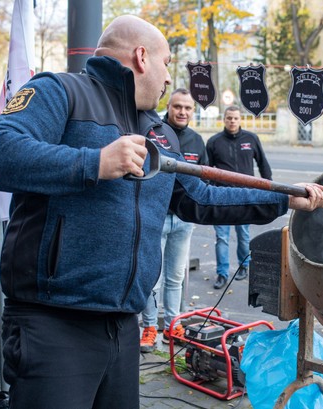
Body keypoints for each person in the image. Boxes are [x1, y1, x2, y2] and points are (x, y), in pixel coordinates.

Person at [0, 15, 323, 409]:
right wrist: (95, 163)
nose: (168, 75)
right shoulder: (60, 91)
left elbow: (200, 199)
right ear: (141, 56)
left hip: (123, 327)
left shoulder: (159, 131)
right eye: (167, 61)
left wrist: (284, 200)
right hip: (54, 325)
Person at [140, 88, 208, 352]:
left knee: (175, 277)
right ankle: (148, 327)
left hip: (183, 222)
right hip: (155, 217)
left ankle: (172, 326)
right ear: (169, 107)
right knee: (151, 277)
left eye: (187, 108)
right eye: (177, 107)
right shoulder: (154, 133)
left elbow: (204, 178)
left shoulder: (196, 140)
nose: (182, 112)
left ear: (193, 111)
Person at [206, 105, 273, 290]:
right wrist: (209, 194)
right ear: (224, 119)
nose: (232, 121)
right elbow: (206, 171)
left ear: (240, 119)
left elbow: (263, 164)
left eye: (235, 118)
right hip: (221, 199)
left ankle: (244, 266)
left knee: (243, 236)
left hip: (245, 197)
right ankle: (222, 273)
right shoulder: (213, 142)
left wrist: (269, 187)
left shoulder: (251, 139)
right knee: (222, 238)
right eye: (229, 118)